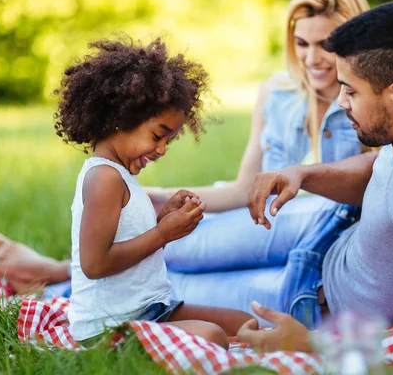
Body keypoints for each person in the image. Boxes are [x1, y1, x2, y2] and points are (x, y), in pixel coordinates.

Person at [0, 0, 372, 329]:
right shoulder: (278, 93)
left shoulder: (366, 100)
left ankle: (56, 276)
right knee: (177, 244)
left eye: (326, 45)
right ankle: (59, 278)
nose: (310, 58)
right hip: (262, 217)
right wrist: (161, 198)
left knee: (193, 260)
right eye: (302, 43)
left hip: (323, 223)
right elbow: (242, 189)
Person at [237, 1, 393, 352]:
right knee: (177, 251)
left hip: (312, 306)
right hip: (327, 245)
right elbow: (381, 169)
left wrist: (313, 344)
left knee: (167, 291)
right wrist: (302, 174)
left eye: (351, 90)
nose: (341, 102)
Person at [49, 36, 252, 348]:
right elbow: (95, 264)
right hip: (110, 328)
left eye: (168, 141)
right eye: (158, 136)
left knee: (243, 323)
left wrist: (163, 217)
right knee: (212, 337)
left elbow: (123, 235)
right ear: (121, 119)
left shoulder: (120, 175)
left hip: (151, 310)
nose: (162, 150)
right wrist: (163, 234)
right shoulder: (104, 176)